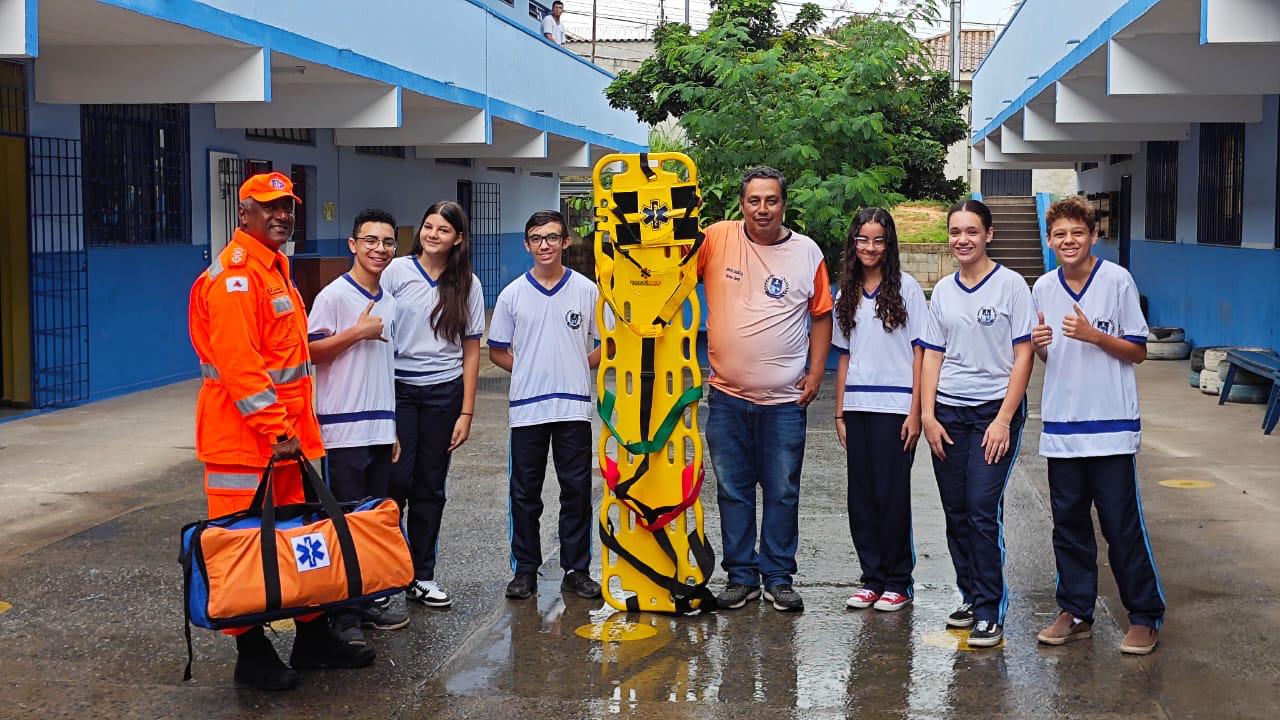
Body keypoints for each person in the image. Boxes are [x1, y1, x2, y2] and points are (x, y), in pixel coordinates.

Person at [188, 171, 374, 691]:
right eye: (269, 207)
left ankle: (312, 640)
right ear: (243, 212)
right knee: (242, 550)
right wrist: (276, 429)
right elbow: (241, 367)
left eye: (287, 206)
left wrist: (288, 435)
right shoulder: (236, 278)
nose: (281, 215)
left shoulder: (275, 269)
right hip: (246, 446)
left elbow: (284, 362)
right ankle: (251, 653)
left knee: (298, 541)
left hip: (282, 444)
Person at [1030, 196, 1165, 655]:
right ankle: (1075, 610)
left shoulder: (1117, 280)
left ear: (1093, 236)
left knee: (1120, 525)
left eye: (1077, 233)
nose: (1069, 241)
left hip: (1110, 424)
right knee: (1068, 525)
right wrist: (1042, 345)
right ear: (1050, 240)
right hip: (1064, 426)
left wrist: (1095, 335)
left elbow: (1139, 351)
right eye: (1060, 234)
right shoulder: (1044, 287)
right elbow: (1054, 359)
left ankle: (1144, 616)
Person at [698, 166, 834, 613]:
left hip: (784, 403)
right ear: (742, 204)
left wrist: (815, 374)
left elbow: (820, 315)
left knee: (781, 491)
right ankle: (740, 577)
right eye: (754, 200)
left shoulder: (807, 253)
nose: (762, 209)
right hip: (727, 398)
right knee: (732, 491)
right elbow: (672, 266)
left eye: (771, 200)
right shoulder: (717, 238)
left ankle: (777, 576)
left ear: (783, 204)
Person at [919, 199, 1035, 648]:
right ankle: (969, 595)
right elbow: (933, 353)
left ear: (989, 235)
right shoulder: (945, 290)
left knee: (982, 509)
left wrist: (1004, 419)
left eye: (971, 231)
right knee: (956, 511)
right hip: (948, 413)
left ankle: (990, 608)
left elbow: (1024, 354)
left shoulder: (1011, 287)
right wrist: (928, 414)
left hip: (993, 413)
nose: (962, 239)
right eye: (954, 232)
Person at [307, 208, 411, 647]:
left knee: (371, 520)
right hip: (343, 432)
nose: (380, 249)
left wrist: (392, 429)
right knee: (343, 520)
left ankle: (366, 599)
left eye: (387, 242)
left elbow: (386, 369)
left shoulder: (391, 303)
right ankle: (342, 613)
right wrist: (357, 332)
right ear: (353, 244)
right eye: (371, 241)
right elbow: (311, 352)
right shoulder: (333, 296)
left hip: (378, 429)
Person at [488, 210, 602, 601]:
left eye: (553, 237)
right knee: (525, 493)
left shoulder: (587, 291)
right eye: (537, 238)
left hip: (573, 408)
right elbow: (497, 351)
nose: (545, 245)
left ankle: (577, 568)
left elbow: (608, 344)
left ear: (566, 242)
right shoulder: (512, 295)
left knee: (576, 490)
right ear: (527, 244)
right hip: (528, 410)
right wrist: (531, 370)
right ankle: (525, 570)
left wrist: (573, 364)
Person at [381, 201, 484, 609]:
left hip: (444, 394)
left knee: (430, 486)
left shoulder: (467, 284)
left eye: (443, 229)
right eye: (428, 226)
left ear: (457, 237)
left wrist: (467, 411)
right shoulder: (396, 272)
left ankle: (422, 575)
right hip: (400, 390)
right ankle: (390, 574)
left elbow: (472, 350)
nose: (433, 234)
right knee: (396, 482)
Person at [831, 208, 927, 613]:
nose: (870, 248)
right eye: (863, 240)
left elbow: (922, 352)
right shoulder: (846, 292)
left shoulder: (906, 289)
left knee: (891, 496)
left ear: (890, 245)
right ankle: (871, 579)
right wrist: (839, 413)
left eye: (879, 240)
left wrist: (916, 412)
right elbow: (844, 357)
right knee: (862, 498)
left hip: (896, 408)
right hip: (858, 406)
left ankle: (897, 581)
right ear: (854, 244)